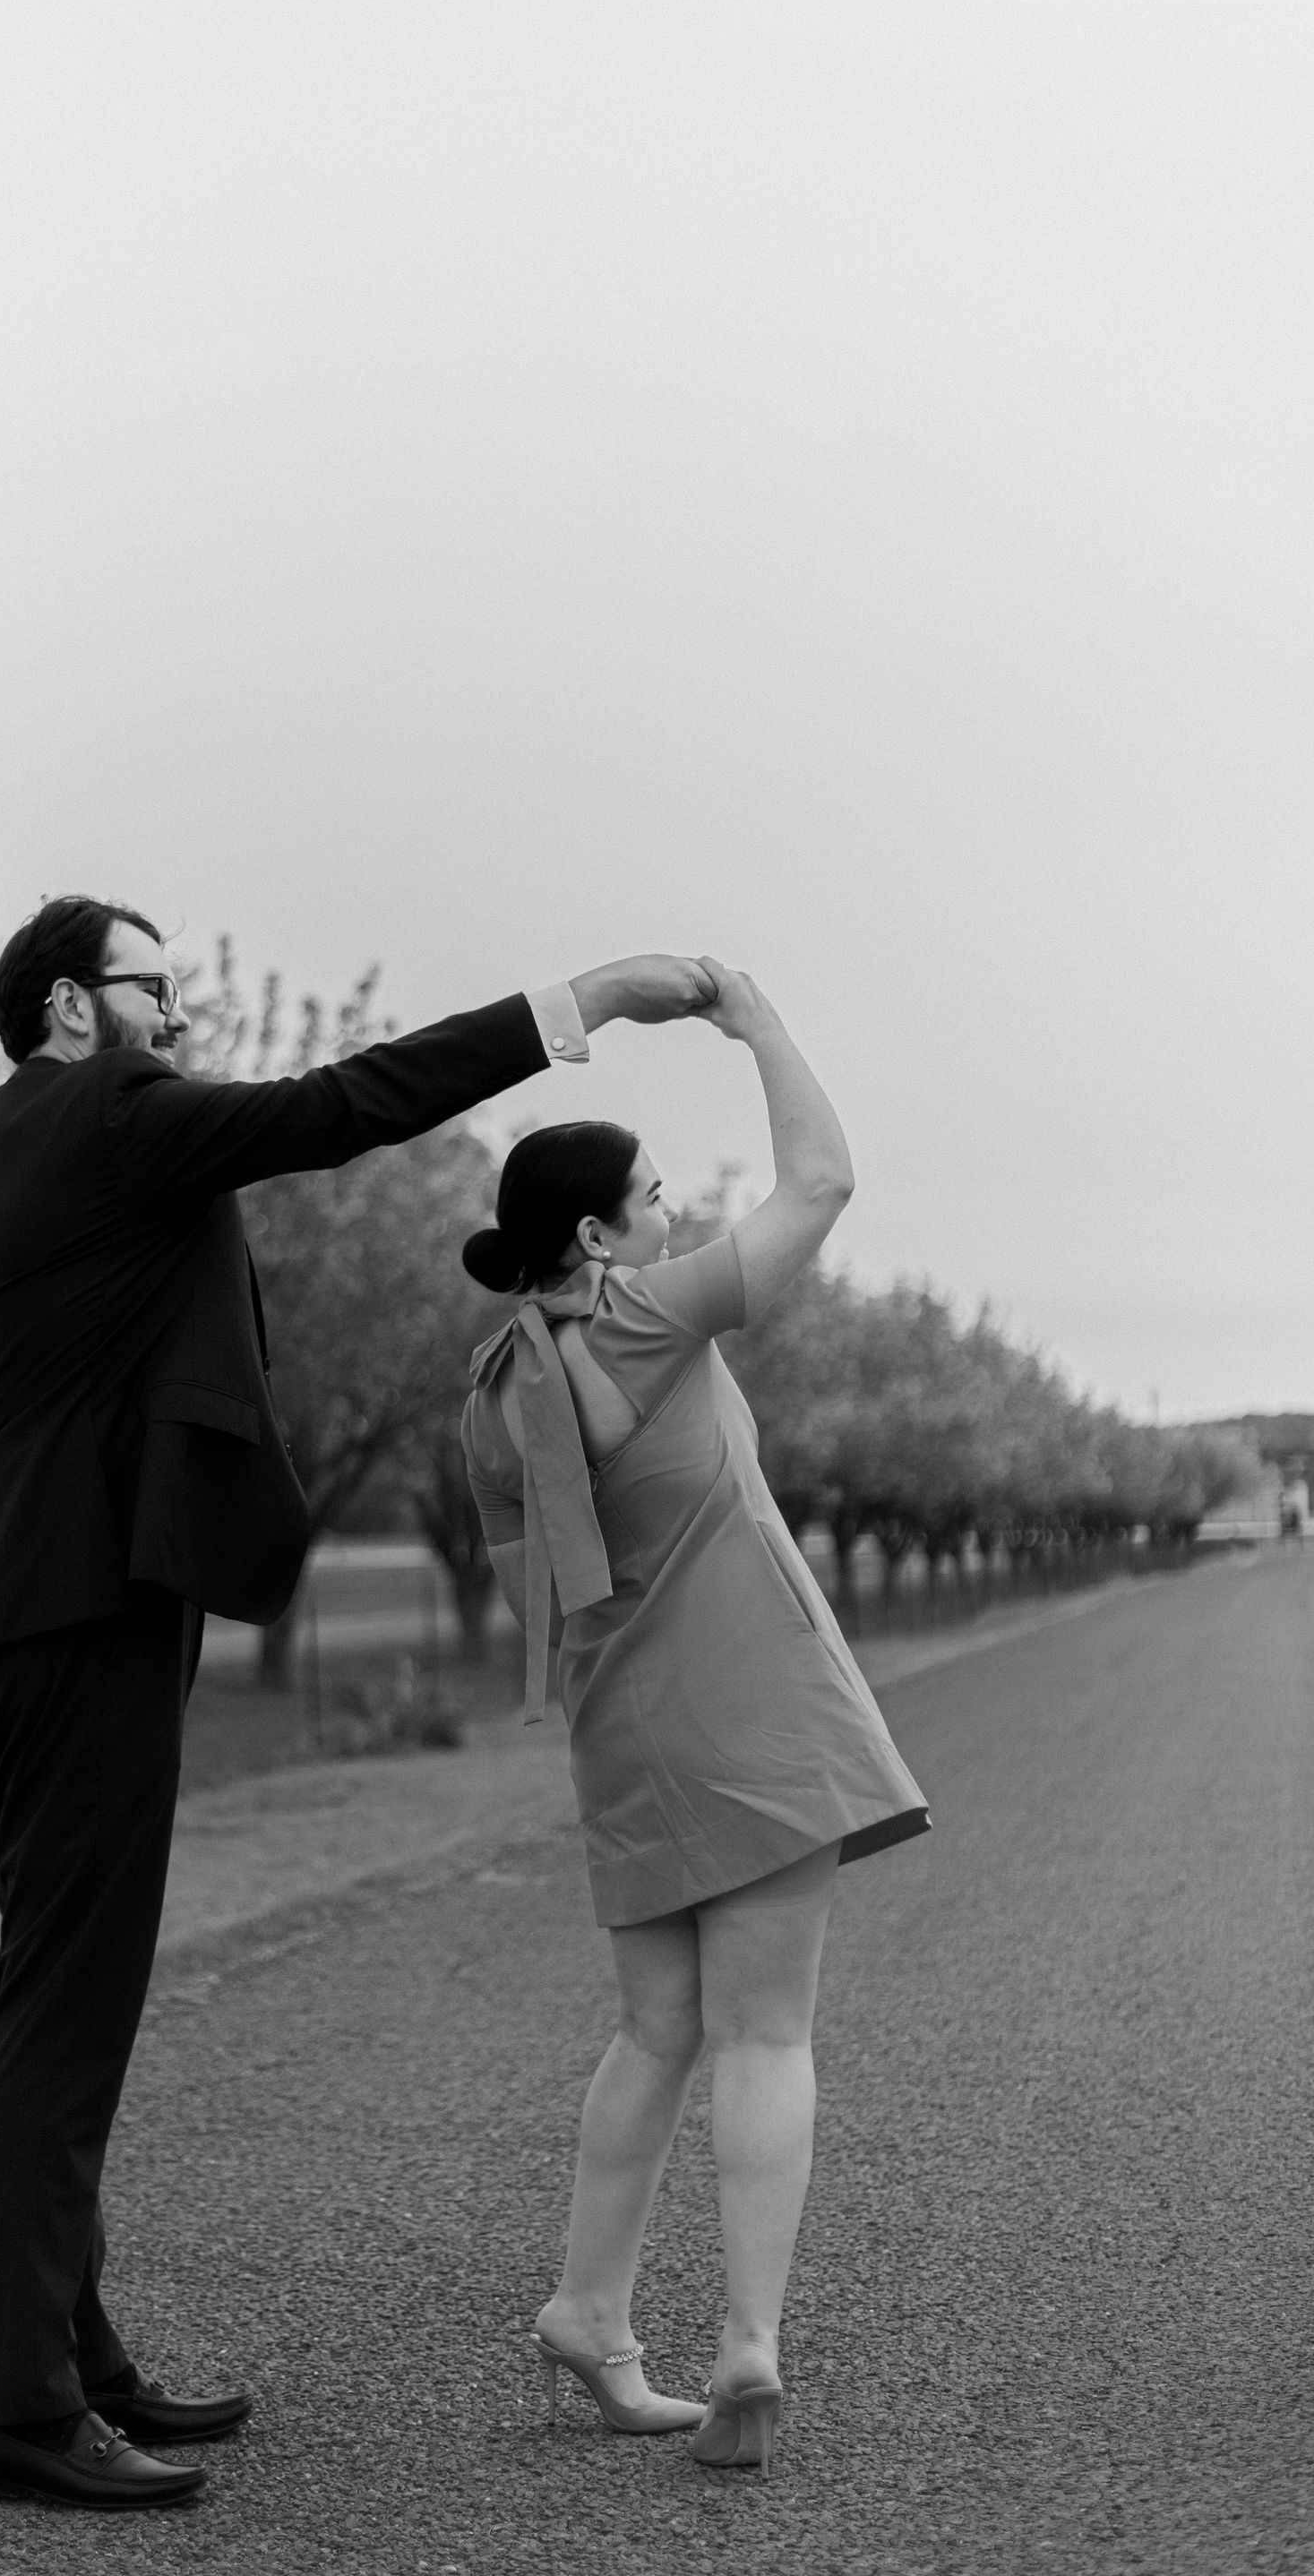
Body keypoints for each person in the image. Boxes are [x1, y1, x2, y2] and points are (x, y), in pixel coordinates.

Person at [0, 892, 717, 2512]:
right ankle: (22, 2414)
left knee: (52, 1991)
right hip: (79, 1611)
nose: (182, 1020)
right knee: (66, 2013)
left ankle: (79, 2366)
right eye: (157, 990)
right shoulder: (105, 1109)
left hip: (19, 1614)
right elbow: (339, 1108)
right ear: (74, 1008)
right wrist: (585, 1001)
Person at [460, 957, 929, 2479]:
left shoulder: (491, 1396)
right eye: (652, 1198)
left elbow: (547, 1588)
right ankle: (747, 2344)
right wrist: (757, 1022)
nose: (672, 1214)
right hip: (754, 1717)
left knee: (655, 2032)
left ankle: (593, 2311)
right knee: (764, 2033)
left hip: (627, 1739)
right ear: (596, 1238)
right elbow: (825, 1179)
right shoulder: (648, 1321)